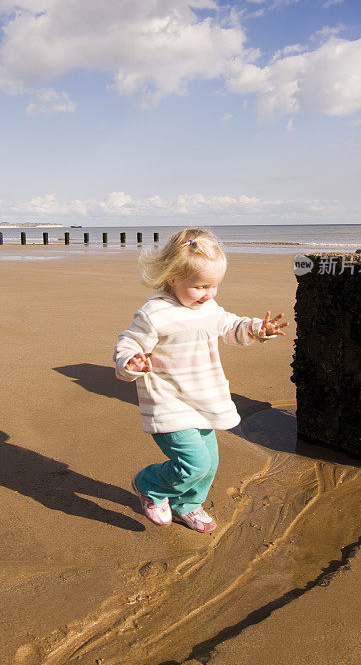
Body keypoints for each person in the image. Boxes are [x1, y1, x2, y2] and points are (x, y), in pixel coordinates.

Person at [113, 227, 288, 533]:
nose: (209, 294)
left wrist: (258, 329)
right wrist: (131, 362)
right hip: (168, 403)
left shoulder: (208, 307)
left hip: (203, 399)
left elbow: (230, 325)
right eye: (201, 286)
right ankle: (150, 485)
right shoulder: (156, 313)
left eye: (215, 286)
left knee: (209, 464)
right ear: (173, 278)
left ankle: (188, 504)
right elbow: (128, 342)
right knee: (194, 463)